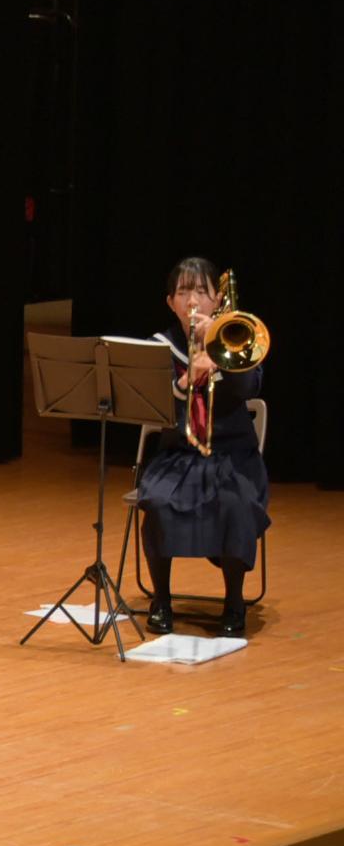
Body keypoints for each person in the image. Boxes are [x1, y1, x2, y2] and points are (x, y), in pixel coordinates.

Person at [138, 257, 269, 635]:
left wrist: (219, 356)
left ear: (218, 301)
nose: (192, 300)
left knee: (236, 503)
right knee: (159, 502)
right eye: (183, 292)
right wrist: (185, 381)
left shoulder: (236, 336)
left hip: (234, 456)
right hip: (178, 456)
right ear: (170, 302)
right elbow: (154, 410)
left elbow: (250, 390)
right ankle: (161, 599)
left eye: (201, 291)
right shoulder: (160, 347)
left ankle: (233, 604)